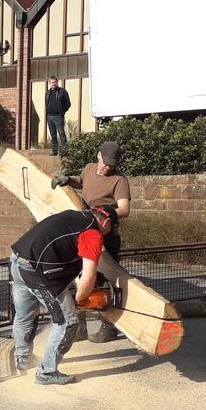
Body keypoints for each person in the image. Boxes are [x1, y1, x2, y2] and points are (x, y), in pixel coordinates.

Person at [9, 205, 119, 386]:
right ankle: (46, 372)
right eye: (112, 228)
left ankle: (23, 359)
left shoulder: (73, 216)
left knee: (24, 315)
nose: (110, 233)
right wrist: (79, 300)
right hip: (37, 271)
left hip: (17, 260)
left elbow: (63, 250)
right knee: (68, 322)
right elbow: (88, 278)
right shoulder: (92, 233)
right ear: (106, 222)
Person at [51, 141, 131, 343]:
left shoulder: (119, 180)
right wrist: (68, 180)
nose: (108, 167)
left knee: (106, 279)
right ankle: (80, 328)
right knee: (77, 276)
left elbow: (124, 209)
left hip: (106, 236)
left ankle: (109, 327)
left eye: (112, 165)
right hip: (84, 231)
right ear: (98, 155)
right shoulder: (88, 168)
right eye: (106, 163)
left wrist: (104, 212)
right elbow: (82, 182)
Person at [45, 75, 71, 156]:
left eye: (55, 82)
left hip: (58, 116)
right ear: (49, 83)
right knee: (53, 135)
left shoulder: (62, 91)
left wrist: (62, 112)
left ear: (57, 82)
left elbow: (68, 103)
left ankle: (65, 151)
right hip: (49, 117)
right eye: (52, 82)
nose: (54, 84)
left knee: (61, 134)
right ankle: (54, 151)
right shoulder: (48, 93)